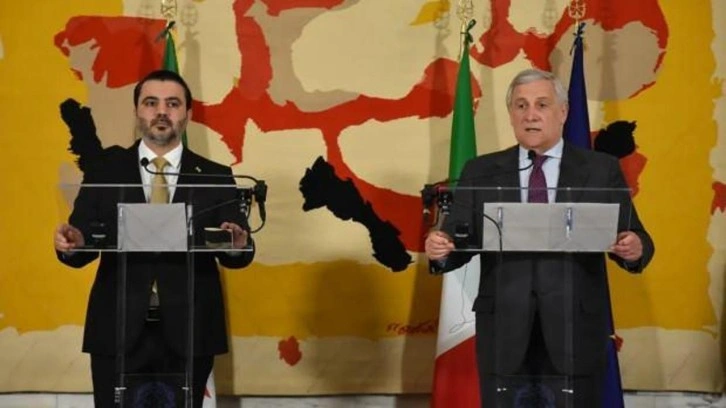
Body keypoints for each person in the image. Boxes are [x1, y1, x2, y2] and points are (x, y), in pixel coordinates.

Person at [425, 68, 654, 407]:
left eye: (542, 105)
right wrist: (440, 248)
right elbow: (459, 239)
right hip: (504, 330)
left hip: (575, 331)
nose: (530, 115)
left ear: (563, 112)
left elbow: (637, 237)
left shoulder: (600, 169)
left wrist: (633, 248)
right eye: (521, 106)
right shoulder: (481, 170)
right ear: (511, 114)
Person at [53, 69, 255, 408]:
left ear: (188, 113)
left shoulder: (214, 176)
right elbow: (80, 242)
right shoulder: (105, 171)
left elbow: (240, 250)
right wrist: (72, 242)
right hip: (117, 328)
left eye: (173, 104)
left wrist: (236, 244)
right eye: (151, 103)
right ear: (137, 110)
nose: (162, 112)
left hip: (191, 330)